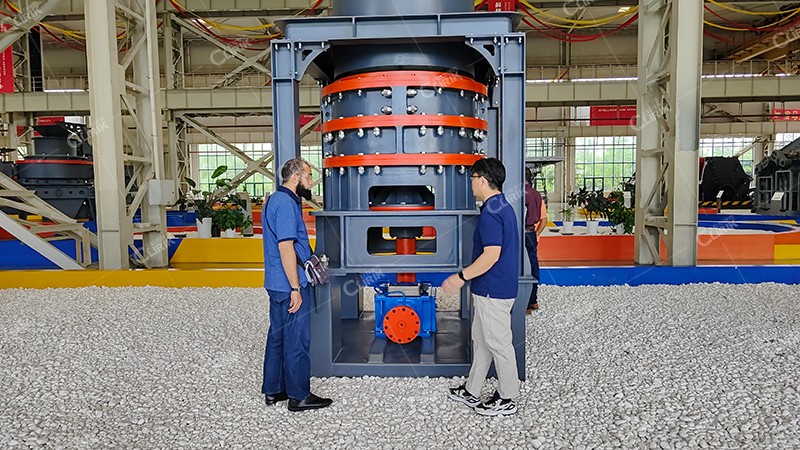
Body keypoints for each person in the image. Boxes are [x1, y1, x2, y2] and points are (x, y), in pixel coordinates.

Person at [442, 157, 520, 417]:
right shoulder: (501, 206)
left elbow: (491, 256)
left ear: (483, 180)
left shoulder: (491, 213)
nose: (471, 183)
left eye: (473, 178)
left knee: (499, 344)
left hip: (492, 290)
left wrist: (460, 277)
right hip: (490, 289)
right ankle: (472, 390)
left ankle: (507, 397)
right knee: (482, 342)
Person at [261, 157, 332, 412]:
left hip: (275, 282)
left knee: (277, 336)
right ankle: (299, 396)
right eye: (308, 176)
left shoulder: (274, 200)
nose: (311, 181)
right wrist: (295, 288)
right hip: (289, 284)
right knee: (297, 340)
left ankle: (274, 390)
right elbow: (286, 248)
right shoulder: (286, 205)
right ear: (295, 177)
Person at [524, 167, 547, 314]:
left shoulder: (519, 194)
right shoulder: (537, 194)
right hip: (531, 233)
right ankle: (533, 300)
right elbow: (544, 219)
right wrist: (536, 234)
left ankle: (524, 304)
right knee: (533, 266)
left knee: (521, 267)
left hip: (521, 233)